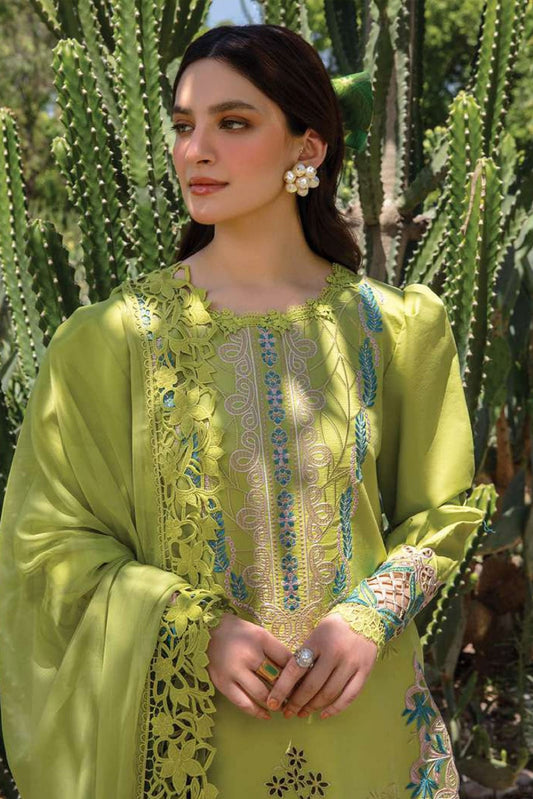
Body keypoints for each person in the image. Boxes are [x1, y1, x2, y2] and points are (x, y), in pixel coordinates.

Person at [0, 22, 486, 799]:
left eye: (232, 123)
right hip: (195, 742)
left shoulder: (395, 329)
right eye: (183, 126)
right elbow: (47, 541)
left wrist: (367, 616)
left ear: (307, 146)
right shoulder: (110, 342)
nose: (195, 150)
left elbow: (441, 512)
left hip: (366, 732)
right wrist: (193, 629)